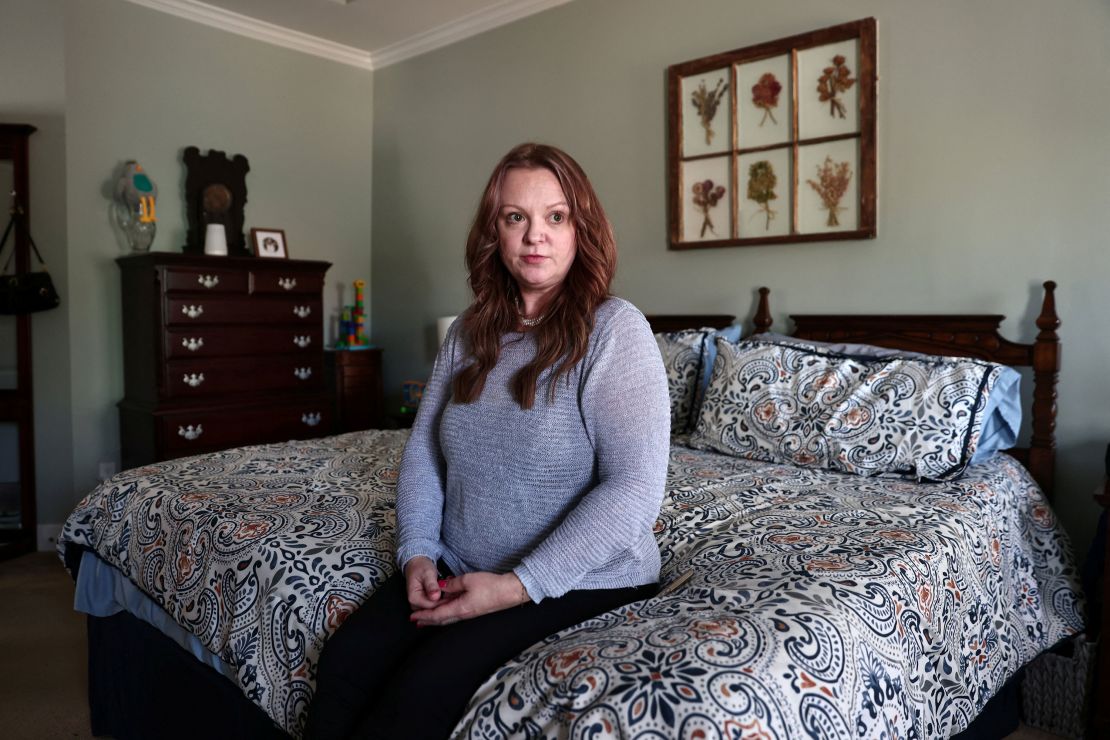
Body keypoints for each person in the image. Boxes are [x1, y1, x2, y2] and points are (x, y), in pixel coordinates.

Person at [304, 143, 671, 739]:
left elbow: (633, 488)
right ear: (494, 231)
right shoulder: (471, 330)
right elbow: (425, 448)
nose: (535, 236)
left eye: (556, 217)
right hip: (458, 560)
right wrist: (418, 549)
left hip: (578, 579)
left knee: (417, 698)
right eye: (514, 217)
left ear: (582, 228)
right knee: (347, 661)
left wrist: (514, 586)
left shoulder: (615, 328)